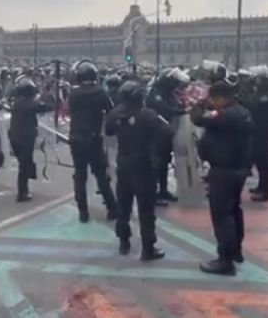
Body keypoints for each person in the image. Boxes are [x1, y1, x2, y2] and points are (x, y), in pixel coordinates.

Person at [191, 80, 253, 276]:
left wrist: (200, 103)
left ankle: (225, 260)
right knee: (234, 211)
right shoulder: (241, 112)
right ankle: (235, 251)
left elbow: (199, 119)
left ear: (219, 98)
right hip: (237, 170)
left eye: (213, 99)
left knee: (222, 215)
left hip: (223, 171)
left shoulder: (225, 114)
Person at [106, 80, 170, 261]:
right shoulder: (148, 115)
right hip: (144, 165)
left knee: (123, 205)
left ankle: (124, 241)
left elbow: (109, 130)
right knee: (146, 209)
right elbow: (167, 131)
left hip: (124, 163)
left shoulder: (115, 114)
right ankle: (148, 248)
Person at [68, 61, 117, 222]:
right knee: (101, 176)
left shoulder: (73, 93)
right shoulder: (100, 92)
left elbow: (71, 110)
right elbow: (111, 110)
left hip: (75, 138)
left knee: (80, 176)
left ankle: (83, 213)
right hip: (94, 138)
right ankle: (112, 208)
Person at [145, 68, 188, 206]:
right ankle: (153, 194)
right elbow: (163, 109)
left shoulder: (169, 93)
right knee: (156, 164)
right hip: (156, 133)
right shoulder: (155, 93)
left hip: (167, 132)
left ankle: (163, 191)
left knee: (164, 162)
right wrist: (183, 111)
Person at [8, 76, 54, 202]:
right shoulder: (29, 103)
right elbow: (49, 106)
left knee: (25, 163)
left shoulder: (17, 102)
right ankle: (22, 192)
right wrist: (49, 96)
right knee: (24, 165)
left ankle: (25, 186)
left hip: (14, 137)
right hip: (25, 138)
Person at [244, 66, 268, 203]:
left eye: (258, 79)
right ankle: (261, 187)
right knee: (259, 162)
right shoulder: (261, 93)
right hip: (257, 131)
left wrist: (249, 91)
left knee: (264, 163)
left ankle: (266, 192)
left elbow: (253, 104)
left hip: (264, 131)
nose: (256, 82)